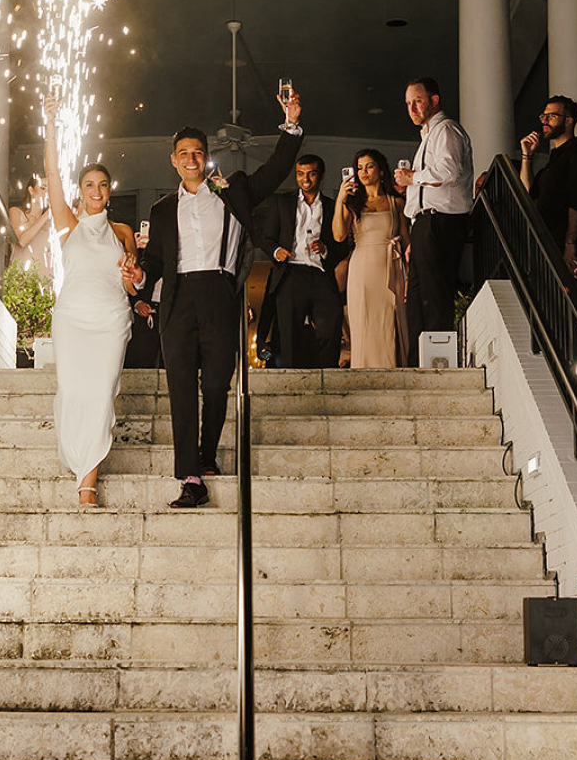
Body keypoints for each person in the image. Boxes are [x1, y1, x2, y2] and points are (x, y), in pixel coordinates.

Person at [124, 89, 303, 508]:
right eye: (183, 153)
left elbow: (276, 170)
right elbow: (155, 264)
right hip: (178, 297)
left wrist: (291, 125)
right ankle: (191, 476)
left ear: (205, 158)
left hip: (220, 293)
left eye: (197, 153)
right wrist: (139, 276)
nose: (190, 159)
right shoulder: (164, 208)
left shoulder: (232, 190)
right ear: (173, 160)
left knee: (218, 385)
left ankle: (206, 457)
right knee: (182, 388)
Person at [41, 94, 137, 506]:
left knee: (101, 393)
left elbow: (133, 285)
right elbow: (50, 173)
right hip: (73, 319)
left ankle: (88, 481)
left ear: (109, 191)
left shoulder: (123, 231)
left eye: (102, 184)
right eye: (88, 184)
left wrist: (136, 277)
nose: (96, 190)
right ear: (80, 191)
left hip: (112, 318)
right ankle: (81, 463)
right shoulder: (68, 224)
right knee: (74, 392)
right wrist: (51, 122)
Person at [394, 77, 473, 364]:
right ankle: (419, 364)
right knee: (415, 300)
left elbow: (448, 170)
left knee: (435, 296)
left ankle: (439, 364)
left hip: (442, 222)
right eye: (408, 103)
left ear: (434, 100)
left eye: (417, 100)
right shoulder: (428, 137)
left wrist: (412, 177)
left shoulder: (446, 130)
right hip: (425, 225)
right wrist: (414, 235)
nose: (412, 108)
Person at [255, 154, 347, 369]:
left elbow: (342, 246)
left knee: (331, 323)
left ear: (321, 176)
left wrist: (326, 249)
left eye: (311, 173)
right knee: (288, 332)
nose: (305, 179)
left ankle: (327, 375)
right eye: (300, 174)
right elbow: (265, 237)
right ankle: (290, 379)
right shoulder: (282, 202)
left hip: (320, 271)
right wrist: (276, 250)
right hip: (291, 272)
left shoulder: (333, 206)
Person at [520, 94, 577, 307]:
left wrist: (570, 243)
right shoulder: (553, 159)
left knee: (573, 297)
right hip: (546, 239)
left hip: (563, 241)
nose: (544, 121)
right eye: (544, 116)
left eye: (552, 116)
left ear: (568, 121)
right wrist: (527, 157)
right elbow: (527, 190)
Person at [334, 150, 409, 368]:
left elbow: (406, 243)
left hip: (391, 266)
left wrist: (409, 274)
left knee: (391, 321)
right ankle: (364, 369)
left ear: (381, 170)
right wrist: (341, 198)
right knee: (364, 321)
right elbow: (338, 235)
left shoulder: (397, 203)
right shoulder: (353, 203)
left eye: (369, 166)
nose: (363, 172)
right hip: (362, 268)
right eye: (359, 168)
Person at [7, 179, 54, 274]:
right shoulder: (16, 212)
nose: (47, 193)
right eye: (43, 188)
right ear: (31, 190)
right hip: (22, 278)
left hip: (46, 279)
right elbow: (22, 241)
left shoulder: (51, 223)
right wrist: (48, 213)